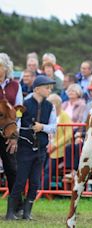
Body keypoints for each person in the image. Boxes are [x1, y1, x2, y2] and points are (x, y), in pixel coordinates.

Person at [6, 76, 57, 220]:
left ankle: (27, 213)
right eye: (46, 87)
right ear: (37, 89)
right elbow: (17, 122)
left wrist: (42, 127)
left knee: (35, 182)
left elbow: (54, 127)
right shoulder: (24, 104)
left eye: (50, 87)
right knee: (20, 181)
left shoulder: (50, 106)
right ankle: (11, 212)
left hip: (41, 149)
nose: (49, 90)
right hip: (24, 148)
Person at [0, 53, 23, 201]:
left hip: (9, 133)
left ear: (6, 68)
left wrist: (14, 135)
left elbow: (18, 112)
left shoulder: (15, 85)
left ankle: (16, 205)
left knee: (12, 169)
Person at [43, 94, 73, 190]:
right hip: (46, 147)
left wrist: (55, 145)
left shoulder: (64, 116)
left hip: (59, 150)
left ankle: (44, 191)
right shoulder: (47, 115)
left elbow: (68, 134)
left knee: (48, 170)